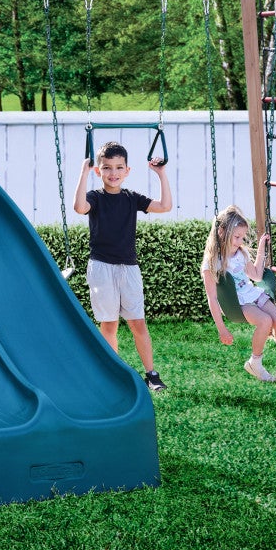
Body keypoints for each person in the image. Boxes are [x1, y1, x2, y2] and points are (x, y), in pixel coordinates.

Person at [74, 141, 172, 391]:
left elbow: (165, 206)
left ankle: (151, 375)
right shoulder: (95, 197)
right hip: (101, 268)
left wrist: (161, 174)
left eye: (119, 167)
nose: (113, 173)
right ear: (99, 171)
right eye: (107, 168)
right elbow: (79, 207)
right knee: (109, 325)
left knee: (138, 322)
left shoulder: (131, 198)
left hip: (129, 268)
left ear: (127, 171)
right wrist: (83, 173)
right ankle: (115, 376)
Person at [202, 206, 276, 383]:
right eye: (236, 237)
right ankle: (255, 363)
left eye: (242, 237)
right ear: (222, 232)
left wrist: (261, 247)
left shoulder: (241, 254)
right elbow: (212, 298)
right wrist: (222, 329)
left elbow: (257, 276)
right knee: (265, 321)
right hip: (237, 303)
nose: (240, 241)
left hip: (252, 293)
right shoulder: (212, 262)